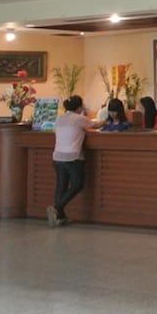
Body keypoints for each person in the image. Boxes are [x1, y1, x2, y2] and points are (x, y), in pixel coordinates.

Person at [47, 95, 99, 227]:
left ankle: (60, 217)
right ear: (79, 107)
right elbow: (95, 125)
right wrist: (105, 121)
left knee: (61, 186)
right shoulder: (79, 118)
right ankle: (57, 207)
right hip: (73, 157)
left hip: (57, 156)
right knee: (78, 185)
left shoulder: (59, 118)